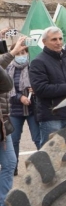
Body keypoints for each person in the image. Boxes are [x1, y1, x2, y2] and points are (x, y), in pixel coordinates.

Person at [29, 26, 66, 143]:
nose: (58, 42)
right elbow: (40, 89)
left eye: (60, 39)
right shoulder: (38, 62)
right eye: (54, 39)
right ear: (44, 42)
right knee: (50, 153)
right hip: (51, 115)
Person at [6, 36, 41, 176]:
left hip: (33, 110)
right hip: (15, 111)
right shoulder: (8, 69)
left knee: (38, 138)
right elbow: (7, 90)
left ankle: (43, 166)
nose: (22, 55)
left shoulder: (34, 67)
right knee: (14, 140)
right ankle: (13, 168)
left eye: (24, 52)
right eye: (19, 53)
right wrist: (20, 98)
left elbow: (41, 84)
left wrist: (35, 90)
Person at [0, 34, 24, 206]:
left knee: (10, 163)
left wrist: (12, 52)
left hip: (2, 123)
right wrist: (12, 53)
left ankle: (2, 202)